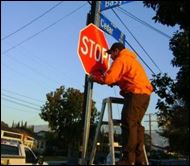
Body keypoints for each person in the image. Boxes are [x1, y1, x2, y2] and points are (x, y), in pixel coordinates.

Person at [90, 42, 153, 165]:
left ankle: (128, 160)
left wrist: (94, 78)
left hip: (135, 94)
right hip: (145, 95)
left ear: (116, 51)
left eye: (111, 54)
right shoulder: (131, 60)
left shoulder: (121, 59)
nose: (110, 57)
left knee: (129, 125)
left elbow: (108, 78)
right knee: (136, 126)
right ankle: (140, 159)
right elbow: (127, 77)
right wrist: (117, 82)